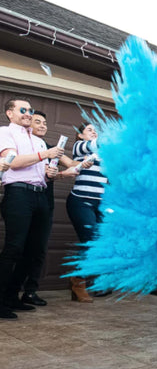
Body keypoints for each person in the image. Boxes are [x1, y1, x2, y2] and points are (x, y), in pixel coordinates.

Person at [0, 97, 63, 319]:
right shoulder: (5, 133)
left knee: (34, 250)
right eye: (23, 109)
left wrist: (50, 173)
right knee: (14, 248)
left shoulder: (37, 141)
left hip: (40, 197)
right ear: (10, 113)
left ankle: (11, 297)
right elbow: (13, 162)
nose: (28, 113)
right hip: (18, 194)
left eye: (30, 110)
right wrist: (45, 154)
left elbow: (43, 169)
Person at [20, 110, 81, 307]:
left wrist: (90, 160)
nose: (43, 125)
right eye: (37, 122)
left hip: (45, 202)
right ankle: (10, 293)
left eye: (45, 122)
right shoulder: (22, 146)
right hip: (24, 199)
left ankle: (30, 291)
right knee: (19, 247)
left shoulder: (53, 148)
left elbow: (71, 164)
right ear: (28, 125)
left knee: (39, 249)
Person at [66, 123, 108, 302]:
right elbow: (94, 144)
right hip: (81, 201)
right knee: (90, 240)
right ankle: (78, 281)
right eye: (89, 130)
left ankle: (93, 281)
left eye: (95, 130)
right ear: (80, 136)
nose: (94, 132)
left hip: (101, 204)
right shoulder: (80, 148)